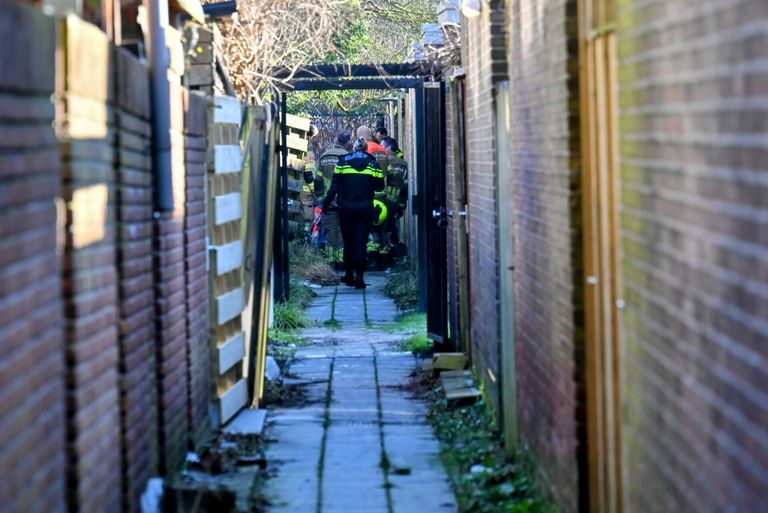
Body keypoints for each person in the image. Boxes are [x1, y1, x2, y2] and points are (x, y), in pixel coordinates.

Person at [322, 137, 385, 289]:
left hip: (346, 209)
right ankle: (360, 278)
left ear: (353, 147)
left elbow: (334, 186)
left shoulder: (343, 162)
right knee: (361, 243)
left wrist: (325, 204)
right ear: (366, 149)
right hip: (365, 209)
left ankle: (349, 275)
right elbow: (380, 186)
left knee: (348, 242)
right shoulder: (373, 163)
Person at [315, 130, 352, 266]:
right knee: (343, 229)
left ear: (336, 140)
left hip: (328, 201)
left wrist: (320, 200)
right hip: (345, 201)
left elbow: (318, 181)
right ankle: (342, 260)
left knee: (330, 229)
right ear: (348, 142)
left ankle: (331, 260)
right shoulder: (349, 157)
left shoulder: (324, 156)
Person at [380, 136, 408, 256]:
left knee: (382, 230)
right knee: (390, 229)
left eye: (382, 146)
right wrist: (402, 205)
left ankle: (382, 257)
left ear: (388, 148)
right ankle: (388, 255)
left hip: (383, 201)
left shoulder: (383, 162)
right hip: (396, 202)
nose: (380, 149)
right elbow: (405, 186)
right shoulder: (403, 163)